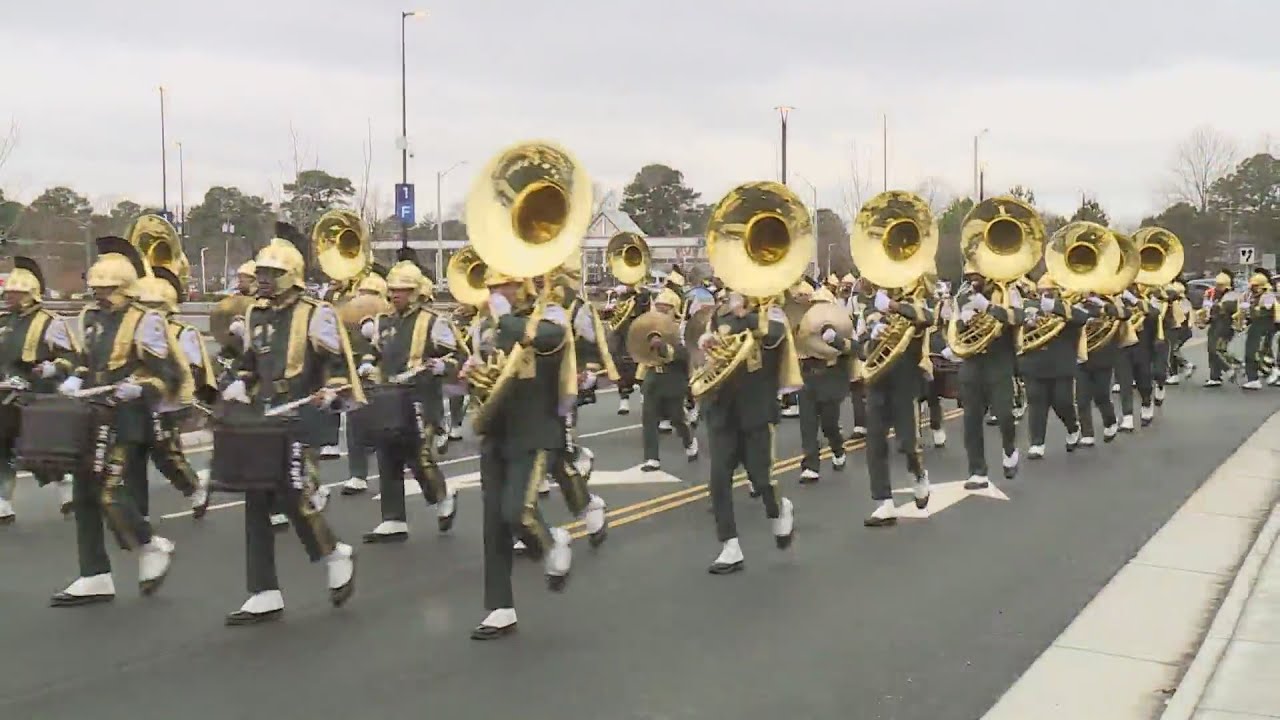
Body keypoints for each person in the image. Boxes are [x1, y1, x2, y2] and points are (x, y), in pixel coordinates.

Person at [219, 235, 361, 625]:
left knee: (296, 492)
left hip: (302, 414)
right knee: (256, 499)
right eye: (261, 272)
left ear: (293, 276)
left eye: (273, 273)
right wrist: (239, 381)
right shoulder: (255, 314)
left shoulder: (317, 313)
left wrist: (331, 391)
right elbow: (251, 362)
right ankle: (263, 591)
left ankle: (334, 553)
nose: (263, 279)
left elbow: (334, 362)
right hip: (264, 417)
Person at [51, 238, 182, 606]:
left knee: (107, 487)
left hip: (126, 417)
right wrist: (75, 377)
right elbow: (85, 360)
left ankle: (149, 544)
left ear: (125, 289)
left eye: (107, 289)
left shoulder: (147, 321)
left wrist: (140, 389)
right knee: (83, 494)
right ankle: (94, 574)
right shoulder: (90, 319)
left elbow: (168, 374)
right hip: (91, 415)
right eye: (96, 287)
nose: (99, 294)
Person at [464, 269, 575, 640]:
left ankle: (551, 542)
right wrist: (467, 371)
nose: (495, 291)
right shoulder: (485, 326)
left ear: (522, 284)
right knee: (493, 524)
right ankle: (500, 607)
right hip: (496, 429)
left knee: (517, 510)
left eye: (503, 285)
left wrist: (504, 318)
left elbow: (551, 339)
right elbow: (479, 368)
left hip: (532, 429)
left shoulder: (549, 315)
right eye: (492, 286)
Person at [354, 260, 459, 542]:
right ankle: (393, 518)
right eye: (393, 290)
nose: (395, 295)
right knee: (387, 454)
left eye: (403, 290)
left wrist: (441, 367)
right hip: (388, 396)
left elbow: (458, 357)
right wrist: (366, 364)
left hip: (421, 398)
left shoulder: (434, 321)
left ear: (416, 292)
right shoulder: (383, 321)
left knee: (419, 455)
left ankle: (441, 496)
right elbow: (371, 351)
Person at [696, 291, 796, 573]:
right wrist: (706, 342)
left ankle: (779, 508)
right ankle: (730, 546)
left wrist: (748, 316)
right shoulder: (720, 314)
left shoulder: (772, 312)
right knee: (718, 480)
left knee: (761, 478)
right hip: (722, 407)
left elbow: (775, 338)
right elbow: (707, 346)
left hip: (755, 408)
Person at [0, 256, 77, 524]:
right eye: (8, 292)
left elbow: (72, 357)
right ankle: (3, 502)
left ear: (30, 294)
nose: (9, 297)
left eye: (16, 293)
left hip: (37, 396)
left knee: (38, 451)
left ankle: (66, 488)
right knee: (2, 447)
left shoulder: (50, 322)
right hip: (5, 396)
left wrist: (52, 369)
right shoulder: (4, 320)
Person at [133, 267, 213, 519]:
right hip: (136, 399)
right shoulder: (133, 330)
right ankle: (139, 512)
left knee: (165, 454)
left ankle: (194, 488)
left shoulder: (183, 332)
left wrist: (174, 388)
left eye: (151, 304)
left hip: (166, 402)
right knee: (132, 456)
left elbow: (191, 367)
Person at [860, 280, 933, 527]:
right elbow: (860, 347)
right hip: (878, 382)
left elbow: (928, 317)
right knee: (875, 444)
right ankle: (884, 502)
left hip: (905, 382)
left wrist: (893, 305)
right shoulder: (870, 308)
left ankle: (918, 475)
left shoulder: (916, 303)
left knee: (908, 443)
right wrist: (871, 335)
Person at [952, 269, 1023, 489]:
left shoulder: (1007, 291)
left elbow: (1018, 318)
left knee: (1003, 413)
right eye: (969, 276)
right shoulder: (962, 297)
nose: (973, 280)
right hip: (972, 361)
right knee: (971, 420)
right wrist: (962, 322)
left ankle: (1009, 448)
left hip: (999, 360)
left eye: (977, 276)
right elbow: (953, 332)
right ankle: (977, 471)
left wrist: (988, 308)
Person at [1019, 275, 1086, 458]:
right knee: (1036, 403)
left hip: (1060, 364)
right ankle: (1037, 443)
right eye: (1041, 292)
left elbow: (1082, 318)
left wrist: (1056, 308)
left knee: (1062, 402)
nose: (1044, 295)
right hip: (1034, 363)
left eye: (1049, 292)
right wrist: (1028, 324)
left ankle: (1073, 427)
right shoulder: (1029, 306)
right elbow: (1016, 325)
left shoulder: (1068, 307)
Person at [796, 287, 853, 483]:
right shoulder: (802, 319)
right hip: (807, 375)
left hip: (830, 375)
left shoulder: (841, 322)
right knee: (808, 423)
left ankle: (837, 448)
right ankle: (811, 465)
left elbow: (849, 349)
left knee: (829, 424)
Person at [639, 288, 698, 471]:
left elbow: (683, 355)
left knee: (676, 418)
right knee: (649, 418)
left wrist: (663, 347)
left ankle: (689, 442)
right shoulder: (650, 327)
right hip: (652, 377)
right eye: (659, 307)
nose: (661, 310)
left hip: (673, 378)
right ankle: (652, 458)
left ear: (674, 309)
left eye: (666, 307)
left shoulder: (681, 329)